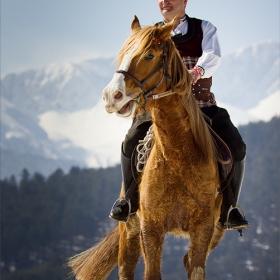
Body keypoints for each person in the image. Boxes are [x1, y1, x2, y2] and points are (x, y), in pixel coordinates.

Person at [109, 0, 249, 231]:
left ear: (184, 1)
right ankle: (128, 201)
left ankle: (229, 209)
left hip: (200, 106)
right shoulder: (149, 35)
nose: (165, 2)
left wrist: (197, 72)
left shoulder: (204, 28)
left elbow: (213, 55)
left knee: (236, 145)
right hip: (157, 109)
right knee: (132, 140)